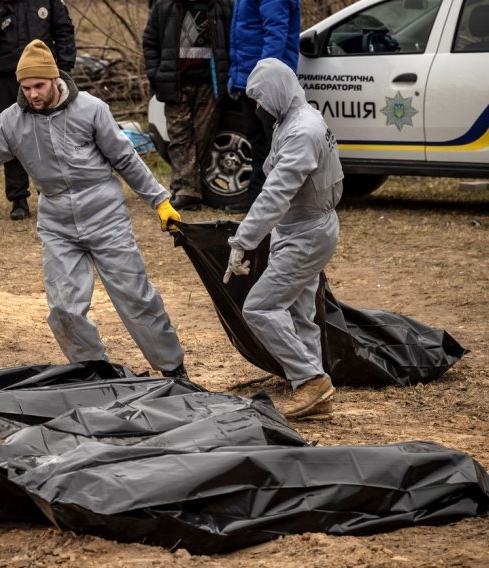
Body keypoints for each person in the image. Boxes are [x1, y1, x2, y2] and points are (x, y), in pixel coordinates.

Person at [0, 39, 187, 378]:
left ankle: (173, 370)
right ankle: (94, 372)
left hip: (105, 216)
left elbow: (124, 157)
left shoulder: (91, 109)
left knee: (137, 299)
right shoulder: (11, 122)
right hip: (57, 222)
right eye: (26, 87)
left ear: (55, 79)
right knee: (64, 308)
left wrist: (160, 201)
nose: (32, 93)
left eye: (39, 85)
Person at [223, 58, 343, 420]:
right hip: (301, 228)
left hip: (307, 232)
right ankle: (312, 393)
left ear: (276, 91)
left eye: (260, 98)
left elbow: (276, 192)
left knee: (260, 307)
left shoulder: (301, 131)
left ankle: (311, 380)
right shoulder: (292, 119)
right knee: (299, 312)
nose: (257, 107)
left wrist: (243, 241)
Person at [0, 0, 76, 221]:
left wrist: (63, 69)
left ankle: (49, 194)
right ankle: (18, 199)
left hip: (42, 80)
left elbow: (64, 31)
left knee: (46, 135)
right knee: (10, 136)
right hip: (3, 76)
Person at [142, 0, 233, 211]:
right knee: (180, 137)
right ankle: (185, 191)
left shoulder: (221, 6)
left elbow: (232, 42)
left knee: (202, 136)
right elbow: (150, 42)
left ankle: (192, 190)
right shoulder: (164, 6)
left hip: (209, 83)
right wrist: (156, 74)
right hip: (176, 83)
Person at [225, 0, 300, 214]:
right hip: (248, 78)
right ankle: (258, 198)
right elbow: (243, 33)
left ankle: (276, 201)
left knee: (273, 143)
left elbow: (275, 35)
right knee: (258, 140)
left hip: (265, 82)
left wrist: (265, 81)